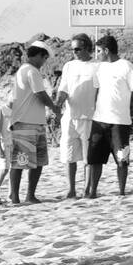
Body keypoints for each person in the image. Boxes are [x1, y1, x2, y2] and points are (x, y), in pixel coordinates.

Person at [86, 35, 133, 198]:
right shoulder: (100, 68)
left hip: (119, 121)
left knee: (122, 158)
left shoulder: (127, 66)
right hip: (99, 120)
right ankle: (93, 192)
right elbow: (97, 90)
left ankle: (122, 192)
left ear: (106, 50)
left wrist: (128, 109)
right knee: (95, 158)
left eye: (99, 51)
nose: (97, 55)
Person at [8, 41, 60, 204]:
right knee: (21, 161)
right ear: (38, 55)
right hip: (25, 121)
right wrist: (54, 107)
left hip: (33, 121)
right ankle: (18, 196)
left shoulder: (24, 70)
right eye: (44, 58)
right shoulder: (31, 71)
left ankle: (27, 195)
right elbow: (40, 94)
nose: (44, 62)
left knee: (36, 161)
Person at [54, 33, 98, 199]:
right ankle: (71, 189)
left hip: (89, 116)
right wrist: (56, 105)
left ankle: (87, 189)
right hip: (70, 116)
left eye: (78, 49)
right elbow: (64, 89)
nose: (75, 52)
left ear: (87, 47)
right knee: (69, 155)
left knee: (89, 157)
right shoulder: (69, 66)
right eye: (73, 49)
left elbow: (100, 91)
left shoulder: (97, 65)